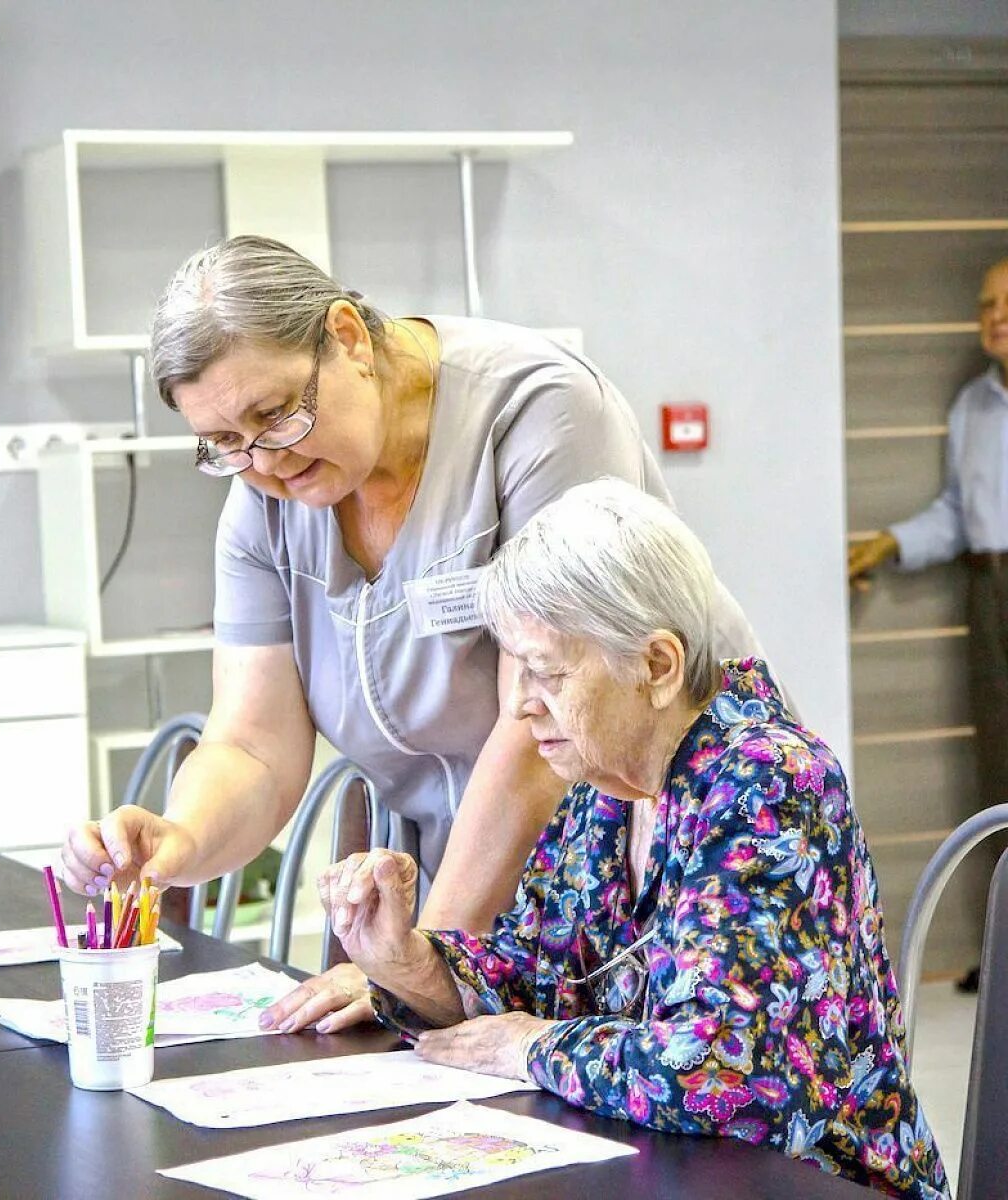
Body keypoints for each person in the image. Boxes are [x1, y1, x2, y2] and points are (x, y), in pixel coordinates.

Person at [58, 234, 762, 1032]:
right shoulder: (264, 495)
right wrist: (180, 839)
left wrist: (415, 963)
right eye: (225, 445)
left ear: (349, 338)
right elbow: (252, 743)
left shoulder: (537, 412)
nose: (264, 462)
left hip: (649, 876)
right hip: (480, 908)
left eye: (276, 414)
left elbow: (542, 728)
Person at [322, 478, 948, 1198]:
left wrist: (533, 1046)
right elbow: (535, 975)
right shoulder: (606, 789)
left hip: (812, 1184)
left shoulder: (772, 783)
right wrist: (404, 962)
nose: (522, 704)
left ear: (656, 667)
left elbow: (723, 1075)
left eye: (547, 671)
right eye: (517, 669)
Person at [849, 256, 1008, 993]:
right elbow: (957, 511)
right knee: (999, 775)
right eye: (986, 305)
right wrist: (891, 544)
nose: (995, 316)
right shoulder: (974, 404)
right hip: (989, 592)